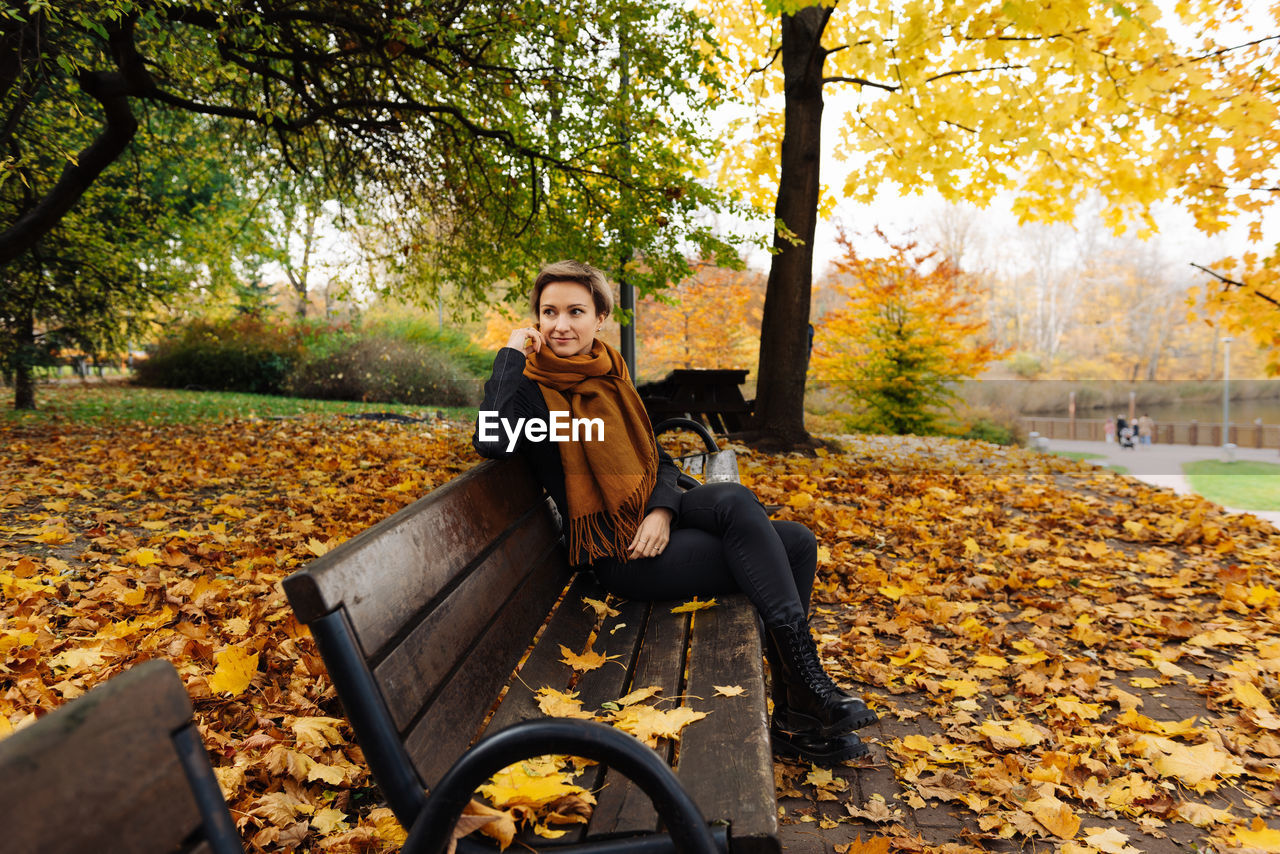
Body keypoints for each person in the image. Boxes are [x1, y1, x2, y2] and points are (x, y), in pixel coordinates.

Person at [472, 260, 877, 765]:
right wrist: (510, 354)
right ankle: (802, 705)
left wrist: (661, 511)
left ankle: (801, 699)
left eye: (575, 311)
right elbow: (491, 440)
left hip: (657, 525)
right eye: (548, 312)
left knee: (786, 533)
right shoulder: (530, 392)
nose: (560, 325)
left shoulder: (610, 374)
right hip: (621, 553)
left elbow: (657, 459)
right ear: (534, 320)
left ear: (600, 318)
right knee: (784, 545)